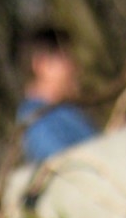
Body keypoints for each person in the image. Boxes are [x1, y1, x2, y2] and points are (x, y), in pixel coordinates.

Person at [17, 26, 97, 163]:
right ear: (41, 65)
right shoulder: (37, 121)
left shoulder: (65, 112)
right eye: (65, 57)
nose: (74, 67)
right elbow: (68, 170)